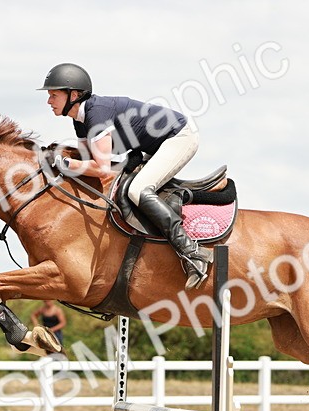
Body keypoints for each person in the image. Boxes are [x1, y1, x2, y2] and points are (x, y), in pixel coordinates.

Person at [39, 62, 212, 289]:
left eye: (53, 95)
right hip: (154, 145)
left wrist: (65, 163)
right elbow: (89, 160)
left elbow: (99, 168)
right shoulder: (80, 121)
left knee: (137, 190)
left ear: (73, 95)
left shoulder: (96, 114)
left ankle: (193, 253)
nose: (49, 101)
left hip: (179, 137)